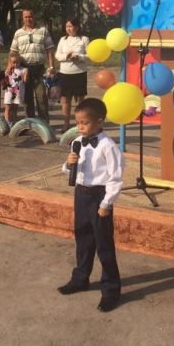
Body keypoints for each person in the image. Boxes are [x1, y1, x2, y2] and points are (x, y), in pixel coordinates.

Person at [58, 97, 123, 312]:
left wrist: (106, 203)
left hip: (99, 196)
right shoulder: (77, 141)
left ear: (99, 121)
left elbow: (115, 178)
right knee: (83, 238)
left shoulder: (108, 146)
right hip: (81, 194)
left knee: (103, 244)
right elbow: (69, 170)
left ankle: (111, 290)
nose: (80, 127)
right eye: (78, 122)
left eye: (84, 123)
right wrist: (68, 164)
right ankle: (80, 278)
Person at [10, 9, 55, 123]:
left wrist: (51, 67)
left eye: (30, 16)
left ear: (34, 17)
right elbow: (13, 52)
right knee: (27, 98)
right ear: (22, 18)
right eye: (25, 17)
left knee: (41, 97)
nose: (28, 19)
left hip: (39, 68)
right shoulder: (18, 33)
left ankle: (44, 123)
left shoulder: (43, 31)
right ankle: (30, 122)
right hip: (24, 69)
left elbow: (50, 50)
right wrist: (10, 67)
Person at [55, 17, 89, 131]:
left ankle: (80, 123)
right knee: (66, 100)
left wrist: (79, 57)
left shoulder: (84, 39)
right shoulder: (63, 40)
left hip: (79, 73)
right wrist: (67, 56)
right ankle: (66, 124)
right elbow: (57, 55)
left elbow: (90, 55)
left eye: (71, 26)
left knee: (80, 101)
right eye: (67, 26)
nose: (69, 29)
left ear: (77, 27)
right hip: (65, 73)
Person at [2, 52, 27, 125]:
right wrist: (8, 71)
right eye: (13, 63)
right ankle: (7, 122)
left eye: (17, 62)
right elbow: (4, 79)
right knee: (8, 107)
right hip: (9, 92)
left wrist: (25, 75)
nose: (15, 64)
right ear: (10, 62)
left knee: (15, 108)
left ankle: (14, 122)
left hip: (18, 92)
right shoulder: (8, 70)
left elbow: (25, 81)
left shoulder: (23, 70)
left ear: (20, 62)